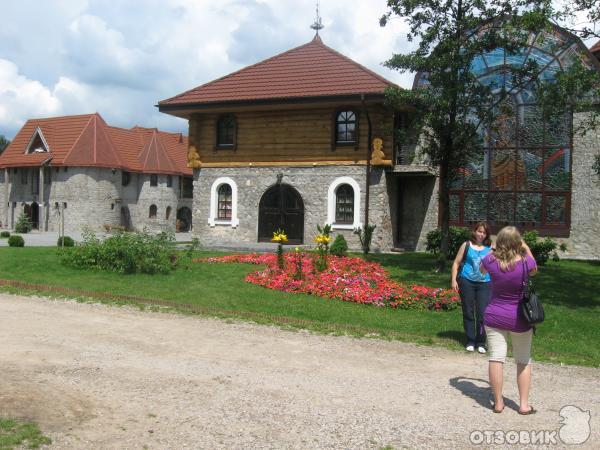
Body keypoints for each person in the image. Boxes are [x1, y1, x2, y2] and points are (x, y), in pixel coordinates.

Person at [480, 226, 537, 415]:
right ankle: (523, 405)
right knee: (523, 360)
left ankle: (498, 403)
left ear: (500, 242)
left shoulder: (490, 260)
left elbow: (481, 270)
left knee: (496, 358)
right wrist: (524, 246)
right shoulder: (525, 263)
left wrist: (495, 246)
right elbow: (535, 269)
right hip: (520, 318)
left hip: (494, 315)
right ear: (517, 242)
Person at [451, 221, 493, 354]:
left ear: (487, 235)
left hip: (485, 284)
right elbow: (456, 263)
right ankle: (470, 340)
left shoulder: (491, 248)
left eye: (484, 232)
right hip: (466, 281)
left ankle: (481, 341)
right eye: (479, 231)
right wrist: (453, 280)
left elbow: (496, 266)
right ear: (475, 231)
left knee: (482, 314)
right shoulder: (466, 245)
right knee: (468, 312)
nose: (481, 234)